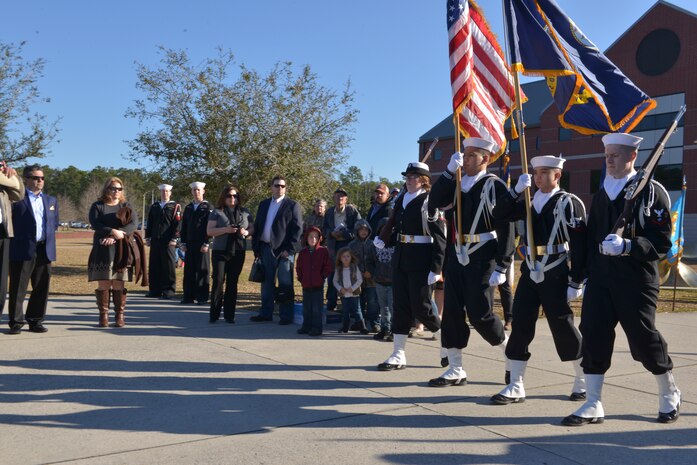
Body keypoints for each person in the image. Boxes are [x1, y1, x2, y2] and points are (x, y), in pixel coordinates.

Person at [562, 133, 680, 426]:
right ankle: (593, 403)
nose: (609, 160)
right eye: (607, 154)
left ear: (632, 157)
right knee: (594, 334)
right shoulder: (603, 191)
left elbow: (664, 243)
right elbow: (592, 240)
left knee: (642, 338)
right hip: (602, 278)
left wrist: (630, 246)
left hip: (635, 278)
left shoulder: (651, 191)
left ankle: (669, 391)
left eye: (616, 154)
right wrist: (580, 273)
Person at [490, 155, 587, 405]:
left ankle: (583, 378)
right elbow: (498, 215)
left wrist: (576, 280)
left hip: (555, 270)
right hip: (531, 269)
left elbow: (580, 245)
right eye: (536, 172)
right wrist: (514, 191)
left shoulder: (568, 203)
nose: (538, 177)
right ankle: (516, 384)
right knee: (521, 324)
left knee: (562, 326)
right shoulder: (528, 202)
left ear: (557, 176)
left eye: (545, 172)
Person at [427, 138, 514, 387]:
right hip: (457, 251)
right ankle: (455, 368)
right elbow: (434, 201)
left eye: (471, 156)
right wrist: (446, 172)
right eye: (464, 155)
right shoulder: (456, 183)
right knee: (452, 313)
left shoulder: (494, 185)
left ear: (485, 159)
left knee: (480, 313)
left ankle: (510, 356)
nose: (465, 160)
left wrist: (503, 264)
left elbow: (506, 226)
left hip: (483, 252)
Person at [374, 162, 445, 371]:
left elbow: (440, 237)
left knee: (421, 308)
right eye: (407, 176)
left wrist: (437, 268)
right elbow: (400, 229)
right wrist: (385, 239)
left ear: (423, 180)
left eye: (413, 176)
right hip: (402, 258)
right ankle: (398, 353)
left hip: (421, 260)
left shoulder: (429, 202)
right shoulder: (403, 200)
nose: (408, 180)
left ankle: (447, 344)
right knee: (401, 307)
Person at [251, 176, 303, 324]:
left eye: (282, 186)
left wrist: (290, 250)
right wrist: (257, 247)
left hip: (283, 251)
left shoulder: (292, 205)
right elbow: (258, 225)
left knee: (285, 284)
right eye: (276, 185)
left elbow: (298, 230)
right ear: (271, 187)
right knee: (266, 283)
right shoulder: (264, 204)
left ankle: (286, 316)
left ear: (285, 188)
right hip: (265, 248)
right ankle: (265, 313)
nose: (279, 188)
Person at [88, 177, 138, 327]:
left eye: (119, 189)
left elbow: (133, 224)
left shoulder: (126, 205)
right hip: (102, 249)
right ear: (107, 189)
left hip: (121, 250)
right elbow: (95, 223)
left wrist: (117, 235)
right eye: (113, 188)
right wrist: (111, 231)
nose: (116, 191)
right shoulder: (97, 206)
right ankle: (103, 316)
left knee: (118, 284)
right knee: (104, 284)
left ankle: (119, 315)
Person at [11, 165, 55, 335]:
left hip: (44, 249)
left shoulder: (51, 201)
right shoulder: (16, 200)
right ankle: (16, 322)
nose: (40, 181)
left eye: (42, 178)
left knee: (41, 287)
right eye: (36, 178)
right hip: (22, 249)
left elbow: (53, 223)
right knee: (18, 287)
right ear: (26, 179)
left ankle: (35, 320)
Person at [207, 185, 252, 324]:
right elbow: (209, 231)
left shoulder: (245, 212)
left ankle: (229, 315)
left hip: (238, 251)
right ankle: (214, 314)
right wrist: (226, 229)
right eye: (229, 196)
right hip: (220, 251)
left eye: (235, 196)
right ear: (224, 197)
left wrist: (246, 232)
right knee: (218, 280)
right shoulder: (217, 212)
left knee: (233, 283)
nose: (232, 198)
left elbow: (252, 228)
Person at [323, 188, 361, 312]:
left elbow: (359, 228)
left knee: (350, 274)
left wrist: (344, 234)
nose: (340, 198)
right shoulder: (329, 212)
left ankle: (350, 304)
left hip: (348, 246)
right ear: (333, 198)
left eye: (342, 196)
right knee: (333, 274)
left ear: (346, 199)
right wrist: (332, 234)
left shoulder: (352, 211)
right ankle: (331, 301)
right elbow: (324, 229)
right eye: (338, 196)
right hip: (334, 247)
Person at [144, 183, 181, 299]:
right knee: (154, 265)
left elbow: (178, 224)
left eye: (167, 191)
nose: (164, 193)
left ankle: (169, 291)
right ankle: (154, 290)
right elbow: (149, 223)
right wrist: (148, 237)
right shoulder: (155, 206)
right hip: (155, 240)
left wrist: (175, 238)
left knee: (168, 266)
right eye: (162, 191)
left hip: (168, 241)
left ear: (170, 193)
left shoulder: (175, 206)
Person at [296, 226, 332, 336]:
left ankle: (317, 328)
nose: (313, 239)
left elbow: (328, 266)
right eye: (311, 237)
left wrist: (322, 276)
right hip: (306, 284)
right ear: (306, 238)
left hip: (318, 284)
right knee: (306, 308)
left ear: (319, 239)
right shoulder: (303, 253)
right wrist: (301, 278)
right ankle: (306, 326)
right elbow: (299, 267)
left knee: (317, 309)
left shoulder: (323, 251)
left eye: (316, 237)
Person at [180, 181, 211, 305]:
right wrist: (183, 242)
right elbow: (184, 226)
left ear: (203, 191)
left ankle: (202, 297)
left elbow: (210, 226)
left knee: (203, 271)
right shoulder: (188, 207)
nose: (196, 192)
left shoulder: (208, 207)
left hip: (202, 244)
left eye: (198, 190)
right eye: (194, 190)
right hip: (189, 244)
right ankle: (188, 296)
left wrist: (207, 242)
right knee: (189, 271)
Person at [349, 219, 379, 332]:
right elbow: (349, 262)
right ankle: (360, 322)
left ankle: (374, 322)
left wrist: (370, 272)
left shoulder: (373, 244)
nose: (363, 231)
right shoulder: (351, 245)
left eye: (365, 229)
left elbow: (376, 261)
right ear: (356, 231)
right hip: (357, 280)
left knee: (373, 303)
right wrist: (358, 273)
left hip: (371, 280)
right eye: (361, 229)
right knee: (358, 303)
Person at [333, 247, 367, 334]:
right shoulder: (338, 269)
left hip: (354, 294)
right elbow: (335, 281)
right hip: (344, 295)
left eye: (348, 256)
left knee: (357, 310)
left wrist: (353, 288)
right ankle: (345, 328)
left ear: (351, 257)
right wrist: (340, 289)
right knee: (345, 311)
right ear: (340, 258)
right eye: (343, 256)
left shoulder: (355, 267)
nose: (346, 258)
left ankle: (362, 327)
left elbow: (360, 280)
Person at [373, 217, 395, 341]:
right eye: (383, 230)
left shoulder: (397, 244)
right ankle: (384, 328)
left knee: (393, 307)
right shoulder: (375, 245)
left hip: (393, 282)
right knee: (383, 307)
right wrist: (372, 272)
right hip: (379, 281)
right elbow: (371, 260)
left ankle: (394, 330)